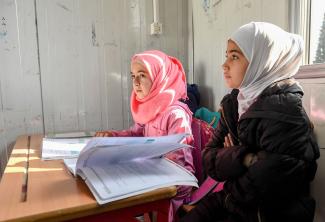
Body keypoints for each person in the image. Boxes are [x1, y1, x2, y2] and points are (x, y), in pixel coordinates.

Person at [180, 22, 320, 222]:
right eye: (226, 56)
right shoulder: (234, 103)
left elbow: (261, 187)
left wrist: (228, 158)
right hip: (233, 202)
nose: (224, 65)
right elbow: (208, 159)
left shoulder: (287, 113)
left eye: (234, 56)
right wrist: (243, 156)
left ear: (261, 61)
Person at [95, 50, 195, 222]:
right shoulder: (151, 107)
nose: (135, 82)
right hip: (153, 176)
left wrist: (144, 170)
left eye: (142, 75)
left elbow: (177, 158)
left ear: (159, 77)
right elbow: (136, 133)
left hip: (176, 184)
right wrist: (112, 135)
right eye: (133, 75)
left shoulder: (175, 114)